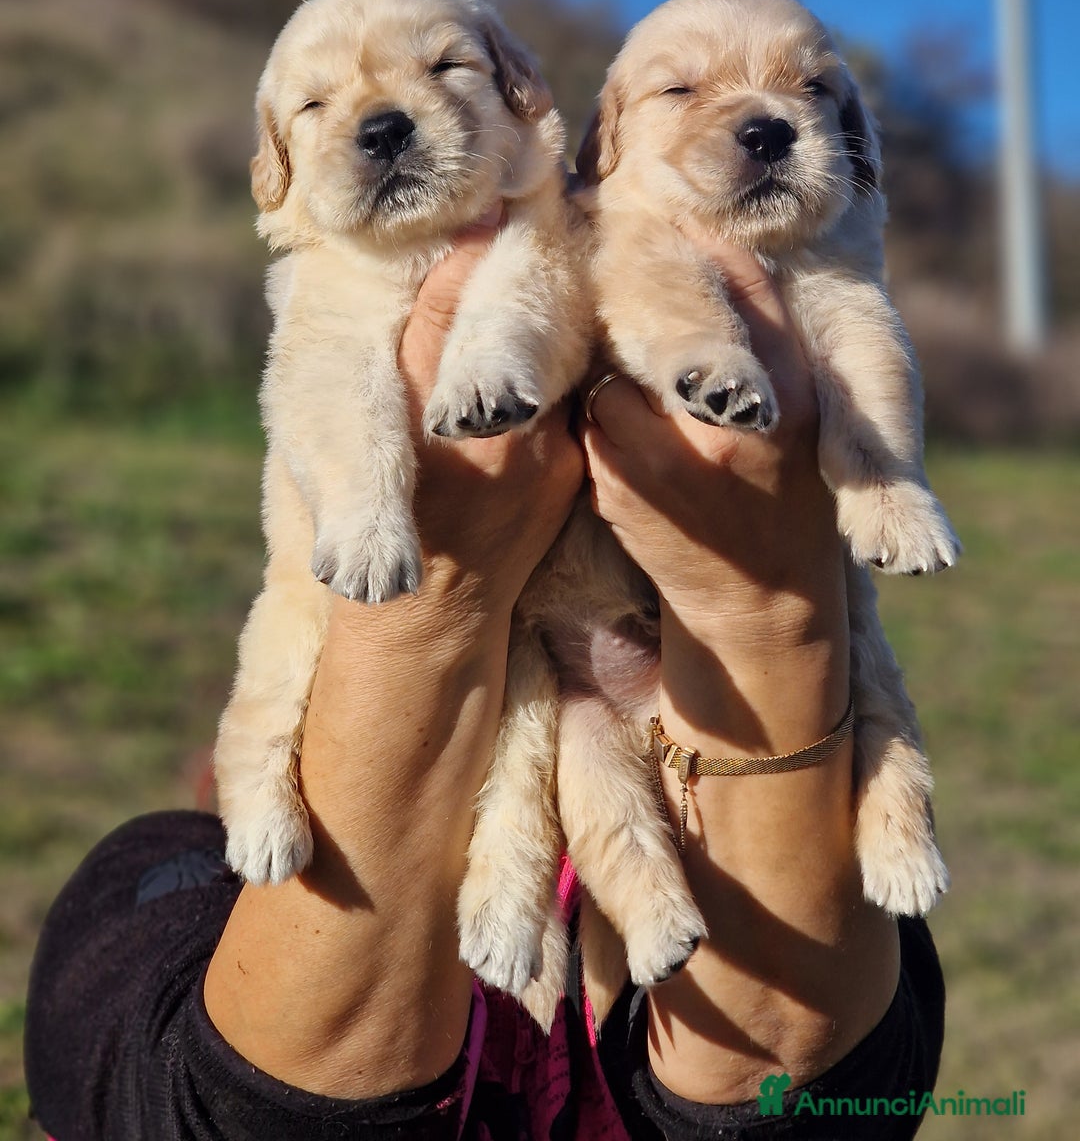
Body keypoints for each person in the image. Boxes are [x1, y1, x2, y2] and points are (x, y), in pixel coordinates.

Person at [24, 212, 944, 1139]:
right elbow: (212, 1113)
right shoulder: (154, 885)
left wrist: (759, 614)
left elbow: (791, 1101)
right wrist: (426, 596)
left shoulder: (853, 912)